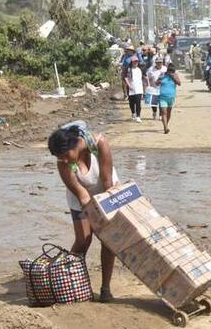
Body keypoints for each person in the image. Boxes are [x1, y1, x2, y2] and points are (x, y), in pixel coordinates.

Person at [47, 121, 120, 302]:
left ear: (75, 145)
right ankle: (71, 283)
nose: (63, 159)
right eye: (59, 157)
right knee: (83, 240)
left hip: (105, 189)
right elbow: (83, 196)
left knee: (108, 241)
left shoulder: (99, 143)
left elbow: (107, 182)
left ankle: (105, 289)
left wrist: (105, 217)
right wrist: (93, 217)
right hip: (81, 198)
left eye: (65, 155)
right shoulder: (63, 163)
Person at [156, 63, 181, 134]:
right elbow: (156, 83)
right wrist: (159, 80)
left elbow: (179, 83)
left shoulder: (175, 75)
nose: (171, 72)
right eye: (170, 71)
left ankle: (166, 124)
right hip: (162, 97)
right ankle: (165, 128)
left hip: (171, 97)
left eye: (172, 71)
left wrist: (173, 77)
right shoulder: (162, 75)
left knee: (168, 113)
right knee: (164, 112)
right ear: (167, 70)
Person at [125, 56, 144, 122]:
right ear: (132, 62)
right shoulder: (129, 69)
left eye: (137, 61)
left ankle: (138, 116)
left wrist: (143, 89)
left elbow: (141, 79)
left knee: (138, 103)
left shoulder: (139, 69)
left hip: (139, 89)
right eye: (134, 61)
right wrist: (129, 85)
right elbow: (125, 78)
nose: (135, 63)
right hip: (131, 88)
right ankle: (133, 113)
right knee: (132, 103)